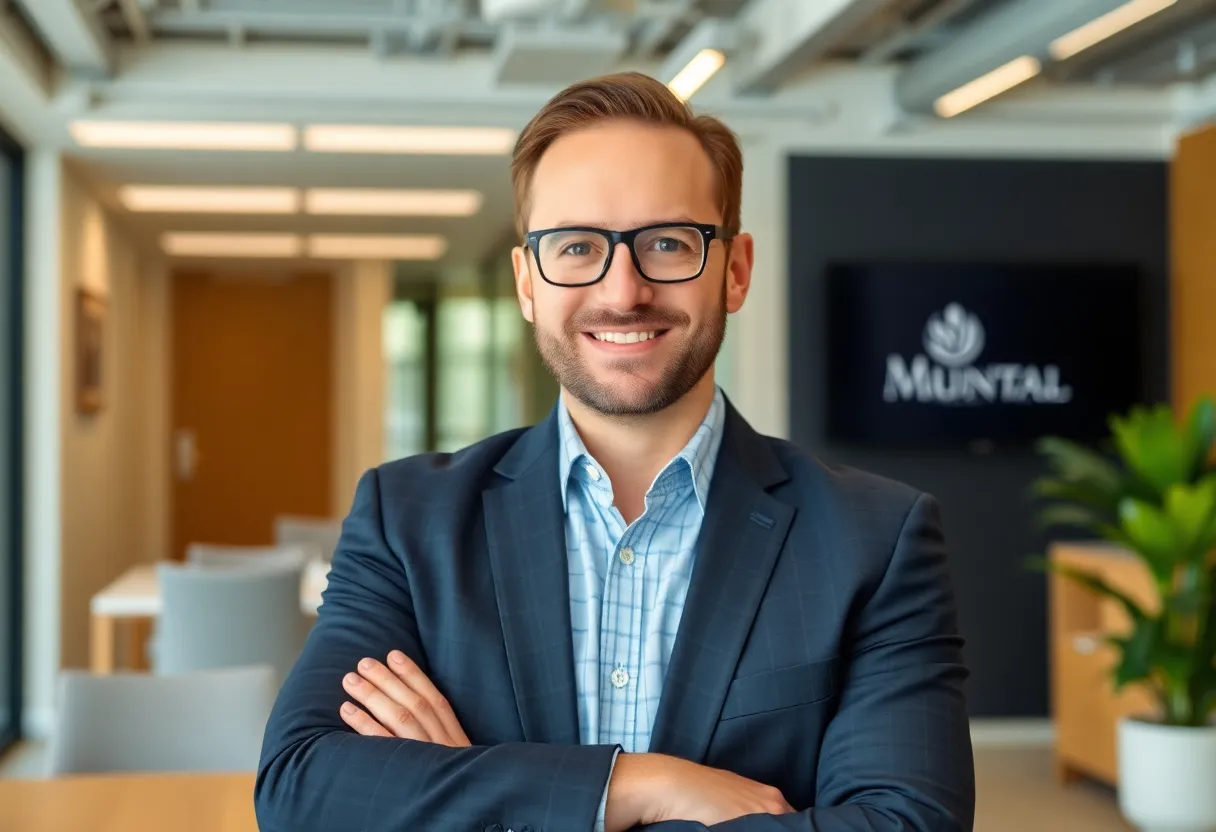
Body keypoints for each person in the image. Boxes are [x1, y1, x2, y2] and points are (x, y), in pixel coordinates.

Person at [255, 72, 975, 832]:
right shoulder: (408, 519)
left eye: (668, 243)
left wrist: (487, 797)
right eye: (576, 246)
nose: (623, 291)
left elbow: (909, 825)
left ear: (734, 271)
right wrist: (636, 786)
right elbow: (304, 789)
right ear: (527, 282)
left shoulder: (874, 538)